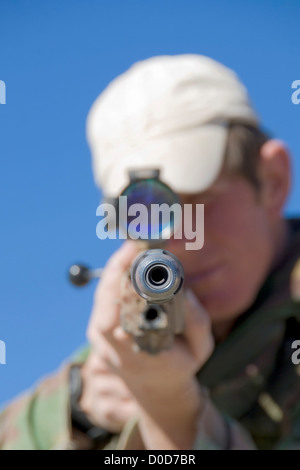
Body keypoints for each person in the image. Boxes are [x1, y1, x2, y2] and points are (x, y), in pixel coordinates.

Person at [1, 54, 300, 450]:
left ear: (272, 181)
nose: (177, 239)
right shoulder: (125, 349)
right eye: (147, 217)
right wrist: (78, 413)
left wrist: (172, 412)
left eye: (199, 202)